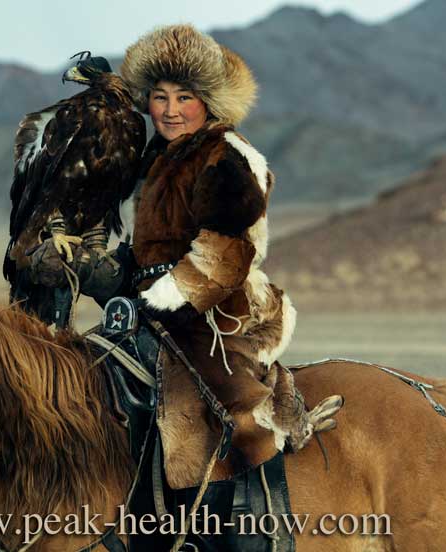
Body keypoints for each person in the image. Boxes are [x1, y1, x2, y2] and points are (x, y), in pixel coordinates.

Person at [31, 24, 341, 490]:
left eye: (185, 97)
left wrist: (156, 299)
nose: (171, 111)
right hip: (152, 309)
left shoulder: (228, 156)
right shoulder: (157, 159)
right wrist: (94, 272)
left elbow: (224, 257)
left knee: (235, 421)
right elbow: (150, 251)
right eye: (159, 97)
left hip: (223, 314)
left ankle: (257, 529)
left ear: (208, 101)